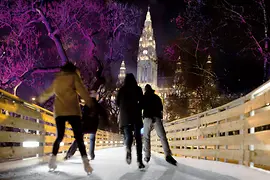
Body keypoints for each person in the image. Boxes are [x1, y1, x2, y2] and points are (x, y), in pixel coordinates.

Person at [37, 62, 93, 174]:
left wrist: (40, 98)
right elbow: (82, 92)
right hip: (73, 111)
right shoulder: (74, 77)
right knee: (79, 138)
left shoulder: (58, 79)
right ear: (73, 70)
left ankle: (52, 161)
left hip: (60, 112)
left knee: (59, 137)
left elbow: (48, 92)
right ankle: (86, 165)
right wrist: (91, 103)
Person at [141, 84, 177, 166]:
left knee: (146, 137)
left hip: (147, 118)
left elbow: (141, 107)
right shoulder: (157, 97)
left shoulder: (144, 97)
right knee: (162, 136)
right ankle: (168, 155)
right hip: (156, 118)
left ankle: (147, 156)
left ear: (146, 90)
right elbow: (161, 108)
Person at [64, 96, 108, 160]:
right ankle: (91, 154)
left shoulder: (87, 104)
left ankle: (69, 154)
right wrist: (103, 122)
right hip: (93, 125)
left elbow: (82, 114)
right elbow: (104, 114)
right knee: (92, 139)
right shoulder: (97, 105)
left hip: (85, 124)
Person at [116, 73, 145, 169]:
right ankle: (139, 161)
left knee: (128, 135)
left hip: (125, 116)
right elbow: (142, 102)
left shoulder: (121, 90)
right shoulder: (138, 89)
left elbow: (116, 102)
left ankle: (128, 149)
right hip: (136, 115)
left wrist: (123, 108)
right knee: (138, 138)